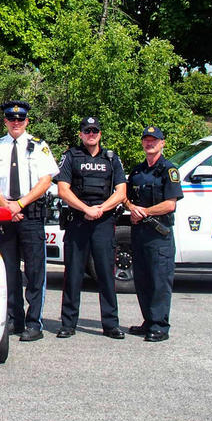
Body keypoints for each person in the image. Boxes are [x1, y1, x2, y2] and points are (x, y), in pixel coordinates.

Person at [0, 100, 57, 341]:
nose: (16, 123)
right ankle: (14, 319)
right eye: (11, 119)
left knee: (35, 271)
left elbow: (45, 181)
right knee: (8, 271)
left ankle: (34, 323)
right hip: (5, 215)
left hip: (31, 213)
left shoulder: (39, 147)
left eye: (20, 119)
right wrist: (6, 206)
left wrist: (20, 204)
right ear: (5, 121)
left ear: (26, 121)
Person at [55, 116, 127, 339]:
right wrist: (86, 209)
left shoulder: (112, 158)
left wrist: (100, 209)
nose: (91, 134)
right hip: (78, 220)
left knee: (106, 273)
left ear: (100, 134)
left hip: (103, 222)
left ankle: (111, 324)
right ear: (81, 134)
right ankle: (68, 323)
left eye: (95, 131)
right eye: (87, 131)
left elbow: (122, 192)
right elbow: (63, 190)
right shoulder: (70, 157)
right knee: (73, 273)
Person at [126, 125, 184, 342]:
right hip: (140, 233)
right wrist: (131, 208)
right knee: (142, 280)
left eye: (154, 140)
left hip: (159, 234)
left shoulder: (169, 170)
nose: (149, 143)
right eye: (146, 140)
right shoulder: (138, 172)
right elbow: (128, 197)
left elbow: (170, 204)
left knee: (160, 281)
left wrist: (144, 212)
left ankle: (160, 326)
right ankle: (149, 320)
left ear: (162, 143)